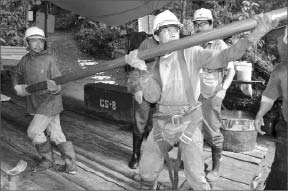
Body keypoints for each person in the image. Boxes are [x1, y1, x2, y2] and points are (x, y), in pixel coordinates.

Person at [125, 10, 276, 190]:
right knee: (146, 172)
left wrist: (255, 35)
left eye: (175, 28)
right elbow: (152, 97)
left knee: (197, 178)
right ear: (156, 37)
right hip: (162, 124)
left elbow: (225, 56)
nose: (173, 32)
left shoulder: (192, 53)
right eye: (166, 29)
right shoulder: (156, 65)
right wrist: (141, 69)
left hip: (188, 123)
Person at [12, 26, 77, 174]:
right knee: (56, 134)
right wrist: (17, 87)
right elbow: (15, 73)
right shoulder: (25, 60)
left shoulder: (49, 59)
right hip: (36, 103)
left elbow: (58, 81)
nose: (37, 44)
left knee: (33, 132)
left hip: (50, 102)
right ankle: (71, 165)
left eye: (40, 41)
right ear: (27, 43)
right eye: (33, 41)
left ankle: (47, 160)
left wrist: (56, 88)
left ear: (44, 43)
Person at [192, 8, 236, 181]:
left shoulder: (220, 45)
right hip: (193, 94)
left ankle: (216, 167)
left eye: (202, 24)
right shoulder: (193, 43)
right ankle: (194, 162)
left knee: (212, 131)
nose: (199, 27)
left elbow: (231, 71)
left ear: (211, 24)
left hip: (211, 94)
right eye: (196, 24)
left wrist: (223, 89)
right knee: (193, 130)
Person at [254, 25, 287, 190]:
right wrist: (260, 114)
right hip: (287, 126)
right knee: (282, 169)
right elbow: (269, 96)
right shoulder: (281, 69)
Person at [127, 37, 158, 169]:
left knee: (156, 124)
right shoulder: (146, 43)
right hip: (144, 88)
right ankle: (135, 154)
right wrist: (137, 88)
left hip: (160, 90)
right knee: (140, 122)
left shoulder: (172, 42)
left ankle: (153, 155)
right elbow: (135, 67)